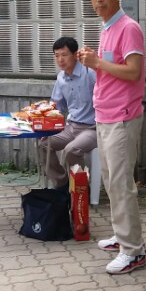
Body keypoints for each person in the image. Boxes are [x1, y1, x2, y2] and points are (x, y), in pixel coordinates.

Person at [78, 0, 146, 275]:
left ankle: (133, 251)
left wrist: (97, 63)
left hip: (122, 116)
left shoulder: (128, 28)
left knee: (120, 185)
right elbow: (111, 68)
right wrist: (94, 61)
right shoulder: (107, 28)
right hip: (105, 115)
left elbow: (133, 71)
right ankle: (122, 236)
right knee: (111, 181)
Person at [39, 36, 97, 190]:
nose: (60, 60)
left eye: (64, 55)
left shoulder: (90, 72)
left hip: (92, 128)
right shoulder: (61, 77)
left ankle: (80, 190)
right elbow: (57, 107)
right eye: (57, 55)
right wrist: (47, 128)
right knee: (43, 144)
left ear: (75, 55)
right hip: (71, 127)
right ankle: (63, 184)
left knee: (71, 150)